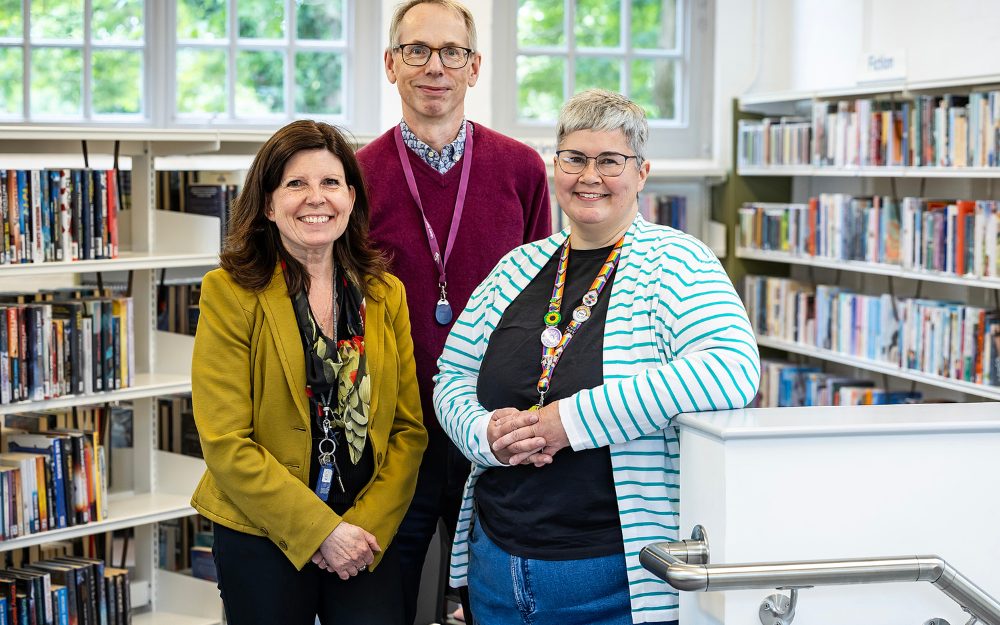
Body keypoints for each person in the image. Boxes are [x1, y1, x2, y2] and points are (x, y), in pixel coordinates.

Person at [434, 89, 761, 625]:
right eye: (575, 158)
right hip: (494, 565)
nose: (590, 176)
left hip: (614, 577)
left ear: (642, 172)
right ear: (554, 166)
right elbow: (453, 375)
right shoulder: (517, 266)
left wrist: (569, 421)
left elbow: (731, 370)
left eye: (610, 160)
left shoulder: (678, 261)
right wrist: (485, 433)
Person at [356, 1, 552, 622]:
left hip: (490, 426)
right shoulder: (356, 178)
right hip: (394, 429)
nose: (433, 66)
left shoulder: (521, 169)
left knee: (490, 600)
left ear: (474, 68)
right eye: (416, 50)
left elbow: (545, 301)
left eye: (452, 52)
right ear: (391, 65)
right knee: (380, 593)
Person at [190, 120, 428, 625]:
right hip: (264, 530)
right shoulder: (229, 292)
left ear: (351, 198)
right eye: (296, 184)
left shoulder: (385, 294)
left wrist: (360, 529)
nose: (315, 198)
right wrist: (321, 531)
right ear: (268, 204)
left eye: (331, 183)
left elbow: (408, 431)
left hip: (364, 529)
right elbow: (225, 441)